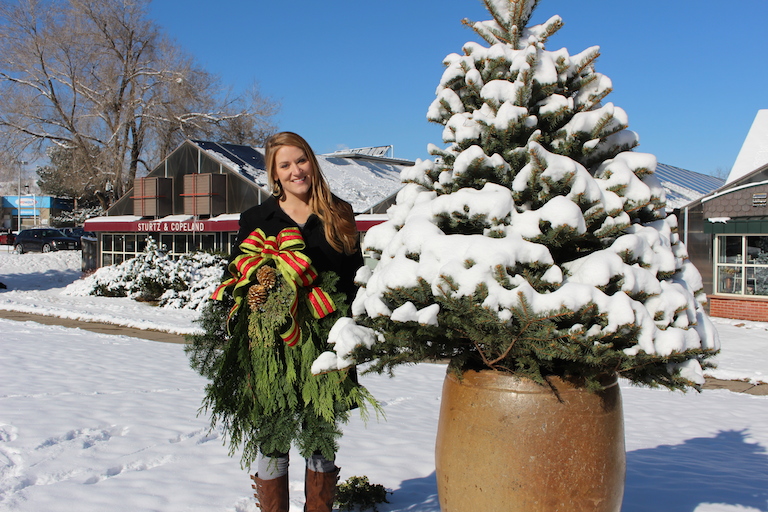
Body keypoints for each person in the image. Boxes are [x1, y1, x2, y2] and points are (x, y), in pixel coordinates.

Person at [229, 132, 364, 512]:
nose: (295, 170)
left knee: (320, 438)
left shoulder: (340, 212)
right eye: (284, 164)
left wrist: (355, 334)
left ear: (312, 162)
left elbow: (356, 278)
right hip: (274, 345)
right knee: (273, 436)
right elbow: (236, 277)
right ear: (273, 172)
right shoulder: (256, 218)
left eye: (300, 160)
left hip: (327, 341)